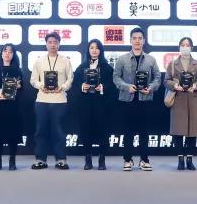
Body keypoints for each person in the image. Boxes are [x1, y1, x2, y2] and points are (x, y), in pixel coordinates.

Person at [112, 27, 161, 171]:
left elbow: (158, 78)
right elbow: (116, 77)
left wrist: (150, 88)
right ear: (130, 40)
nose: (137, 41)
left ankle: (144, 160)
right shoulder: (122, 59)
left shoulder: (151, 59)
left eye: (140, 38)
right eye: (134, 38)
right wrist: (127, 87)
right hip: (127, 100)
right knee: (127, 131)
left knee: (144, 132)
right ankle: (127, 160)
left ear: (144, 40)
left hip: (145, 100)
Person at [30, 32, 74, 169]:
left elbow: (70, 79)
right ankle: (40, 159)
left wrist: (62, 87)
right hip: (42, 100)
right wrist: (40, 86)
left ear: (59, 44)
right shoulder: (39, 61)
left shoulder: (65, 61)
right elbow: (33, 80)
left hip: (60, 100)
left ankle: (61, 159)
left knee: (59, 131)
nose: (53, 45)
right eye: (50, 42)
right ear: (46, 44)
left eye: (55, 42)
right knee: (40, 131)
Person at [165, 36, 197, 170]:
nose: (185, 47)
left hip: (194, 100)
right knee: (178, 131)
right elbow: (166, 80)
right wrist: (175, 85)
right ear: (179, 47)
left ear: (191, 48)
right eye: (182, 45)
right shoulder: (172, 64)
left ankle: (189, 159)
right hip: (178, 100)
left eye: (187, 45)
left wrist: (195, 86)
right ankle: (180, 160)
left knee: (193, 131)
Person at [73, 38, 113, 170]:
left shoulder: (107, 67)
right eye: (92, 48)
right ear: (88, 50)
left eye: (97, 48)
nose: (94, 50)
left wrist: (103, 87)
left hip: (101, 104)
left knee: (102, 130)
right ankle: (88, 159)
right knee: (86, 130)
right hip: (85, 104)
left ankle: (102, 159)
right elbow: (75, 83)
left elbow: (112, 84)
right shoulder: (81, 67)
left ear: (101, 50)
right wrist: (82, 86)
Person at [0, 43, 24, 171]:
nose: (7, 53)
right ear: (1, 53)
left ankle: (12, 161)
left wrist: (19, 86)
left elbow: (22, 88)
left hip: (12, 106)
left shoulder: (18, 70)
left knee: (12, 134)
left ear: (13, 55)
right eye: (5, 51)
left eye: (10, 51)